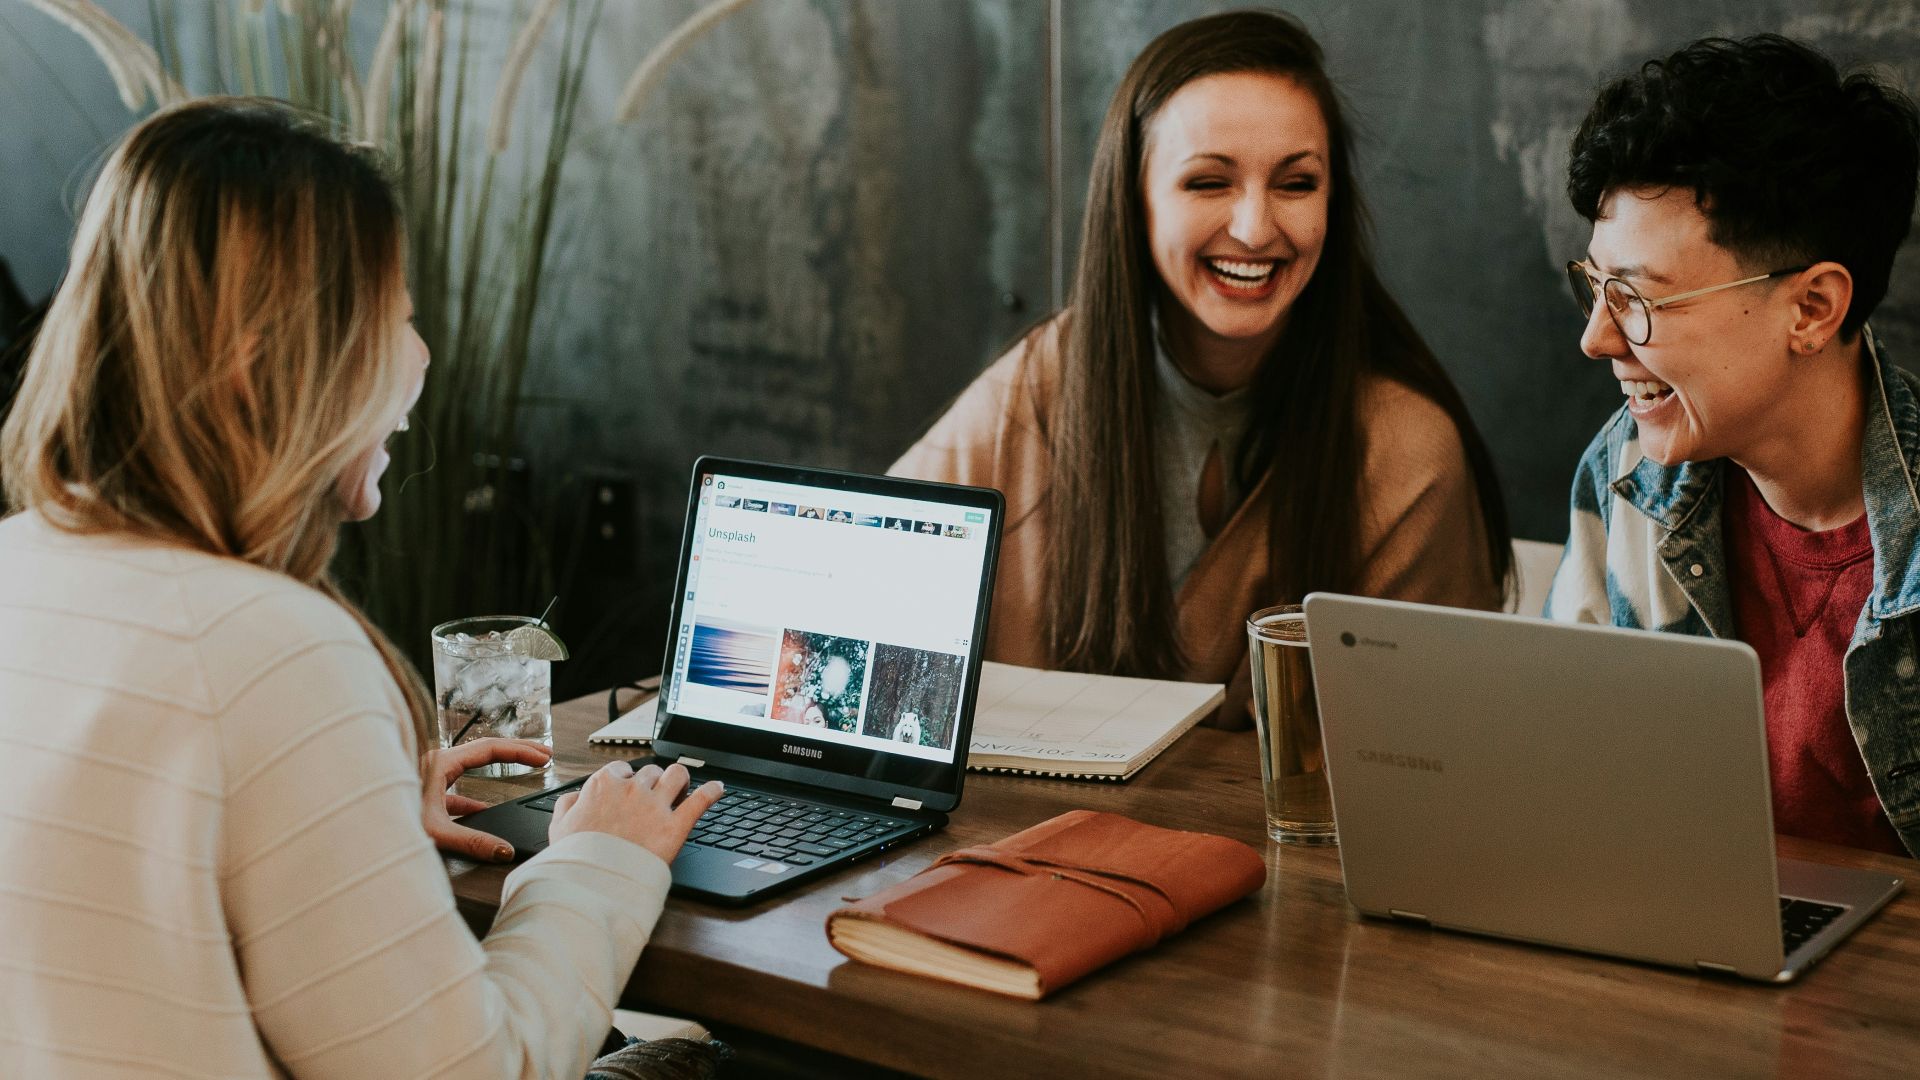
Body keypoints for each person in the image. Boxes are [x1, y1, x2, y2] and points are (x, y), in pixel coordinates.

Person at [0, 98, 724, 1076]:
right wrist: (601, 859)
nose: (420, 358)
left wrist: (354, 814)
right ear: (270, 367)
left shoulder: (23, 564)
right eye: (394, 318)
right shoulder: (270, 648)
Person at [892, 10, 1511, 724]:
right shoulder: (1039, 386)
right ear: (1135, 200)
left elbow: (1437, 754)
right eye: (1209, 183)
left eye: (1297, 183)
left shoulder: (1405, 451)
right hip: (1024, 835)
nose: (1255, 228)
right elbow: (859, 583)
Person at [1545, 35, 1920, 857]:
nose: (1597, 338)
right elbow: (1562, 780)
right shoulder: (1625, 473)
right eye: (1595, 288)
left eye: (1638, 299)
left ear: (1813, 309)